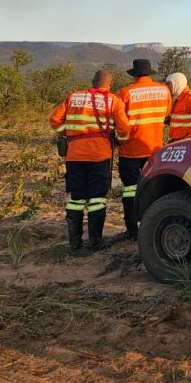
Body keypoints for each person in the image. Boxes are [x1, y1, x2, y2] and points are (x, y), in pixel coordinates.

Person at [49, 69, 130, 251]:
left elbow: (54, 119)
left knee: (76, 198)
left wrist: (68, 132)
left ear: (93, 81)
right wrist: (119, 141)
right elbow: (124, 128)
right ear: (110, 84)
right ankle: (95, 242)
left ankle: (75, 243)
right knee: (97, 198)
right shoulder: (113, 100)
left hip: (74, 155)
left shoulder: (73, 97)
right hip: (99, 155)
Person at [117, 59, 172, 239]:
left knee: (130, 190)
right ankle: (154, 227)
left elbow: (121, 123)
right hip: (155, 149)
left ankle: (132, 230)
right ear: (149, 73)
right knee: (154, 189)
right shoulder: (164, 90)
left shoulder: (125, 93)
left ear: (134, 74)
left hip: (131, 150)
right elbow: (165, 115)